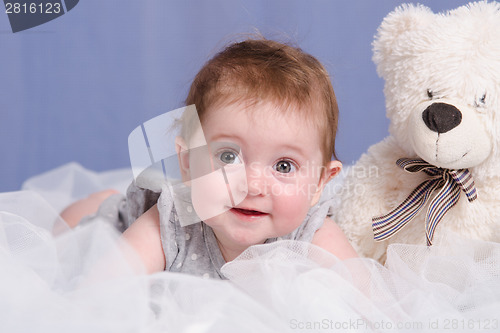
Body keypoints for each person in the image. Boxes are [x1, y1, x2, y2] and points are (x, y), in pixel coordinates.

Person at [61, 38, 357, 278]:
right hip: (121, 227)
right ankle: (96, 202)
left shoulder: (311, 232)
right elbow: (104, 288)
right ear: (188, 163)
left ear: (319, 182)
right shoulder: (172, 220)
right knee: (71, 231)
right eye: (228, 156)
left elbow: (369, 303)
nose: (252, 186)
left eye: (283, 166)